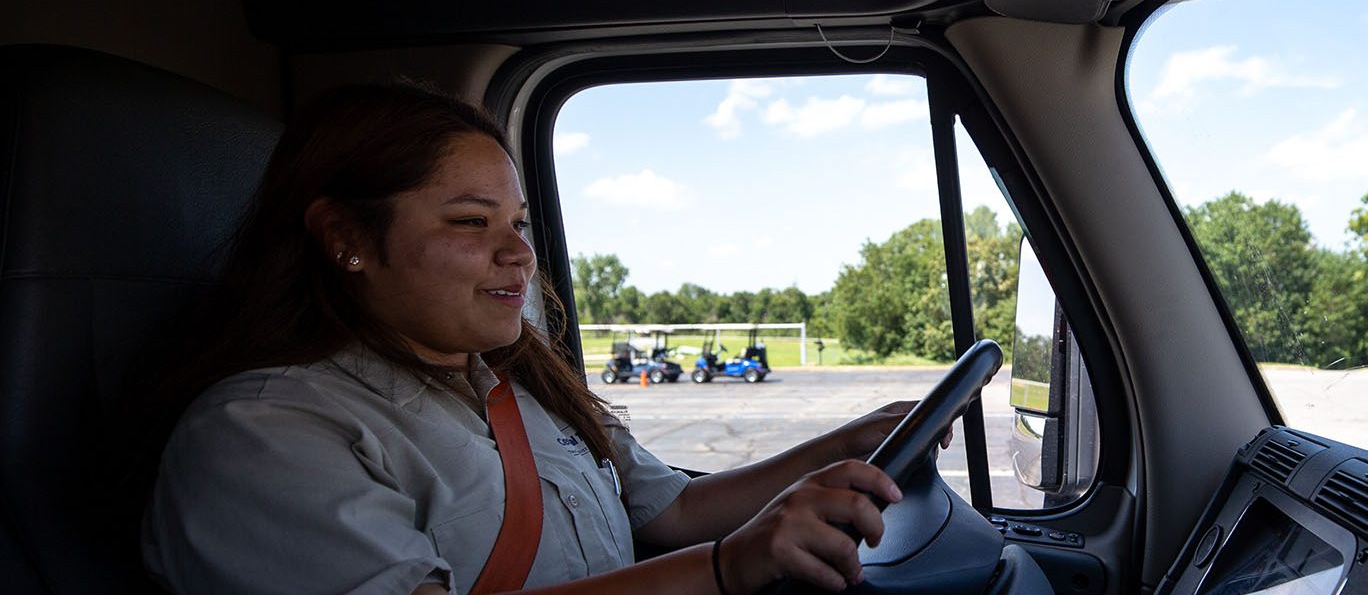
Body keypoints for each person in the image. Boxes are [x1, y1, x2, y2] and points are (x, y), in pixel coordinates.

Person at [143, 83, 918, 595]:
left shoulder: (524, 385)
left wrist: (845, 443)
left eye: (517, 223)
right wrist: (723, 567)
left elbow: (672, 509)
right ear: (346, 235)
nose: (518, 253)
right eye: (471, 222)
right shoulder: (259, 435)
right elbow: (698, 544)